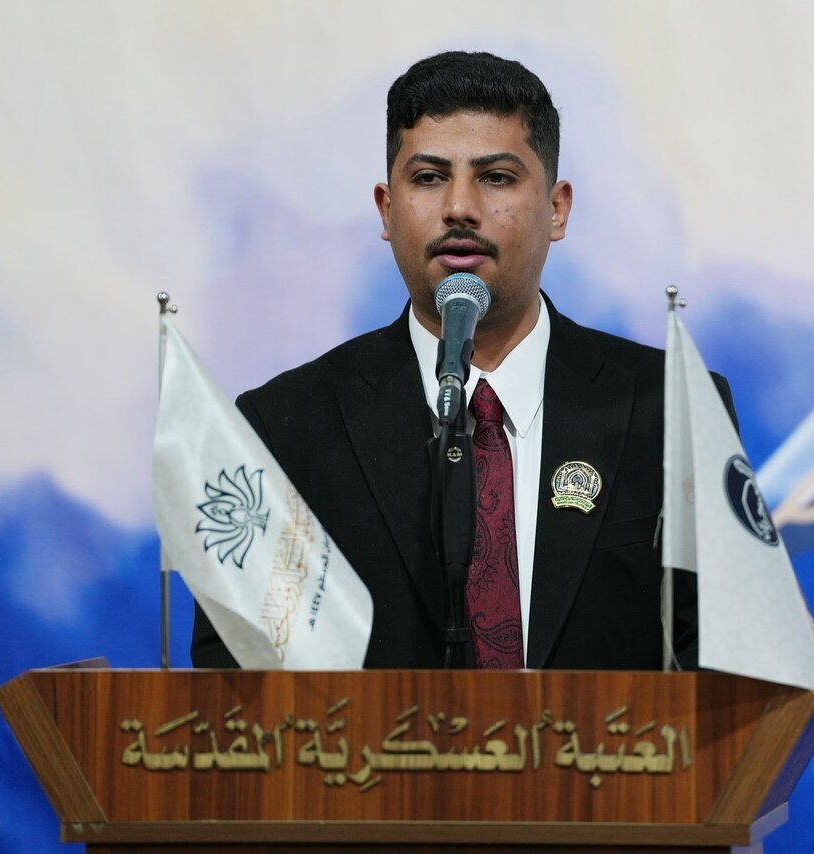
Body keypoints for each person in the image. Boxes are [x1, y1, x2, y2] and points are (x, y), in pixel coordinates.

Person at [191, 51, 736, 670]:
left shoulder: (673, 410)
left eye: (496, 177)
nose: (459, 207)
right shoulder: (286, 428)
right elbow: (233, 681)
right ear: (386, 209)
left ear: (557, 209)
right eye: (428, 178)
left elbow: (730, 663)